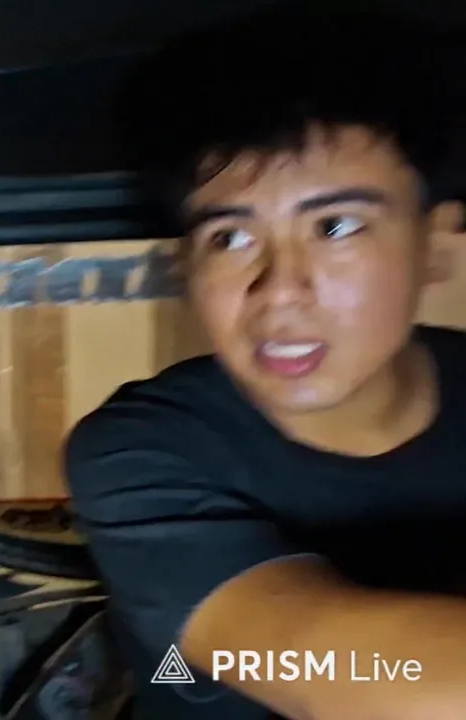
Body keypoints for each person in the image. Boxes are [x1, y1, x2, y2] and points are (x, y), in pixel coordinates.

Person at [64, 4, 466, 719]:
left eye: (336, 227)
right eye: (230, 239)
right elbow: (328, 668)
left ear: (435, 245)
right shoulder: (141, 449)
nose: (279, 290)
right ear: (187, 266)